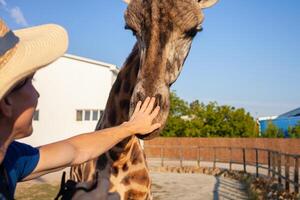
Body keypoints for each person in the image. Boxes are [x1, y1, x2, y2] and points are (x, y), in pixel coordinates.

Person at [0, 19, 161, 199]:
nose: (37, 94)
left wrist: (131, 127)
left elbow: (75, 149)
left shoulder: (11, 157)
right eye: (30, 81)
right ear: (6, 101)